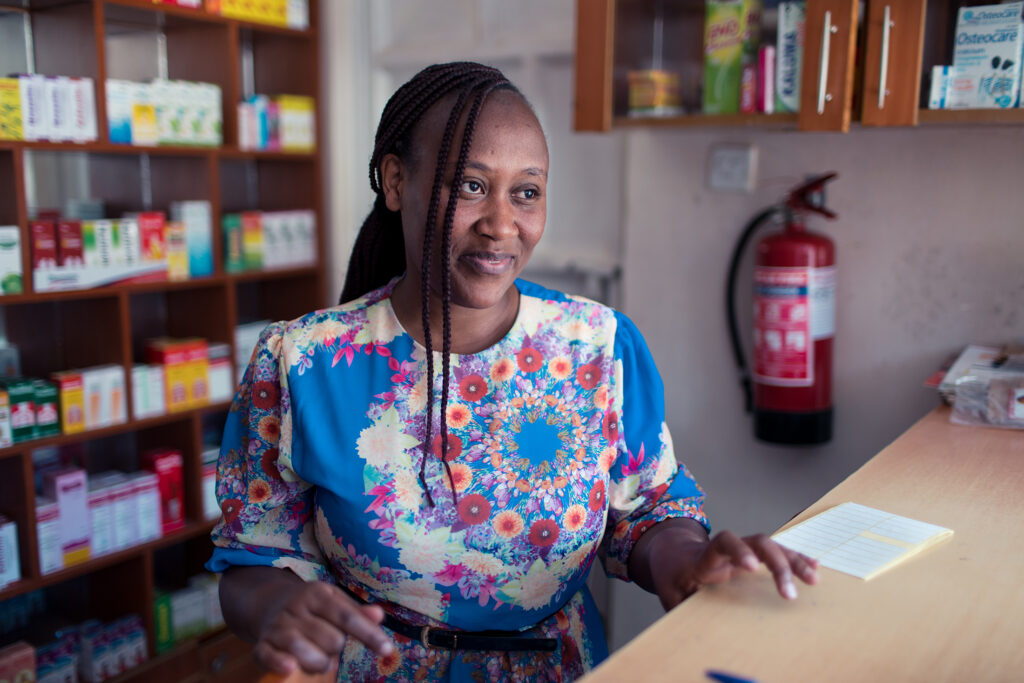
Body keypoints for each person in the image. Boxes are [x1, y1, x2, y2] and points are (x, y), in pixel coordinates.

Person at [208, 62, 818, 682]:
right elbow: (249, 560)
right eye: (470, 186)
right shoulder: (300, 363)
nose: (502, 224)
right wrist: (278, 606)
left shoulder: (595, 347)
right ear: (396, 182)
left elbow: (647, 512)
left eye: (525, 192)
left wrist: (688, 559)